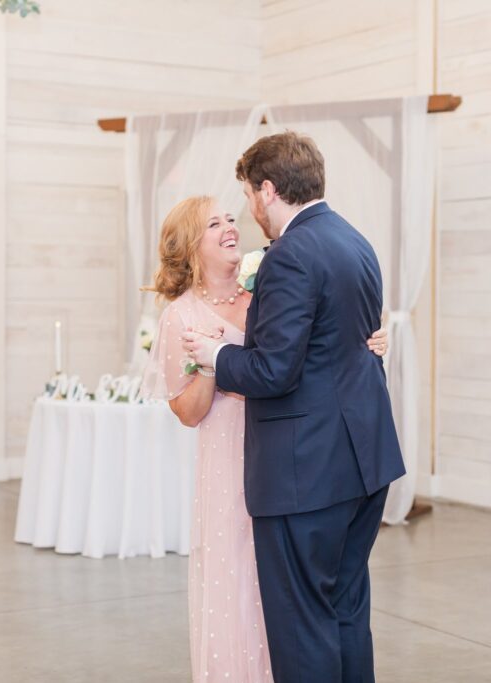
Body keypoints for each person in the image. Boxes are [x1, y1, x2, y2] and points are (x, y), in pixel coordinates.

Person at [181, 131, 405, 682]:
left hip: (307, 474)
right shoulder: (355, 241)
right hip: (364, 464)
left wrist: (217, 354)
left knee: (302, 626)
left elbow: (274, 370)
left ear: (268, 189)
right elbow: (347, 345)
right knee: (346, 611)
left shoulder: (289, 257)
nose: (249, 211)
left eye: (250, 196)